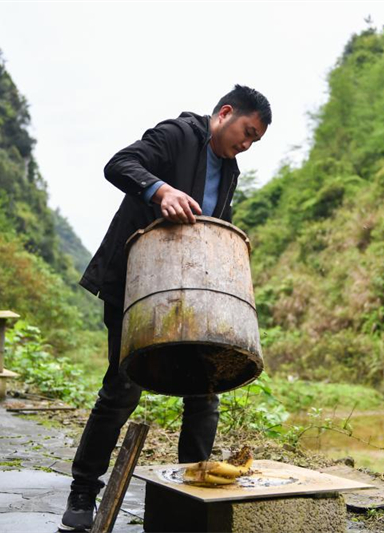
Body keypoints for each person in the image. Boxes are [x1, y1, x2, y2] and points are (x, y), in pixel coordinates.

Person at [59, 85, 271, 532]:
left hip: (194, 292)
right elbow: (119, 165)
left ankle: (192, 493)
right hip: (137, 284)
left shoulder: (230, 169)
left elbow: (214, 221)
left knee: (205, 390)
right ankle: (82, 494)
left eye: (255, 141)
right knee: (121, 390)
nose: (247, 145)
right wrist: (160, 191)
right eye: (247, 132)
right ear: (225, 113)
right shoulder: (178, 134)